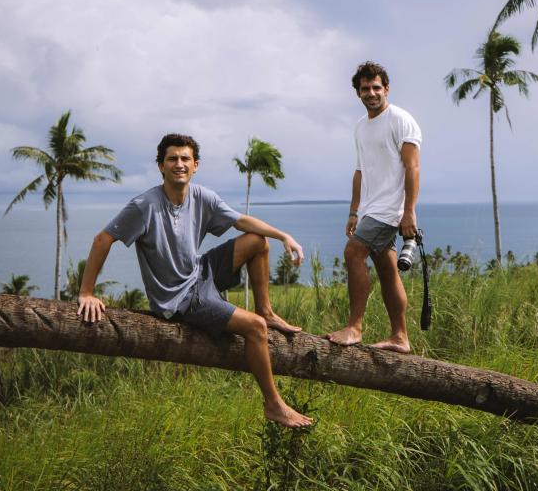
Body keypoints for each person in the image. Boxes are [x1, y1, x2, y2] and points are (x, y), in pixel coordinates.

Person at [76, 133, 312, 428]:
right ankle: (274, 404)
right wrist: (86, 291)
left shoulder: (202, 197)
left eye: (185, 159)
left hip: (200, 273)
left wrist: (284, 236)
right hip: (180, 299)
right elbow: (102, 239)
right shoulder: (144, 205)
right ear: (160, 166)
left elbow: (241, 221)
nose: (179, 164)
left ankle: (266, 308)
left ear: (196, 165)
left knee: (257, 242)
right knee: (255, 328)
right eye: (172, 159)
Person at [326, 61, 421, 354]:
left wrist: (408, 211)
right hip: (370, 209)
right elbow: (360, 172)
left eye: (376, 87)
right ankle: (400, 337)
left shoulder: (401, 120)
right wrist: (354, 211)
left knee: (353, 251)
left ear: (387, 89)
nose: (371, 93)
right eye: (365, 88)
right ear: (358, 93)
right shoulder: (360, 127)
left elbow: (413, 166)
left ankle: (354, 327)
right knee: (387, 270)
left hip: (390, 209)